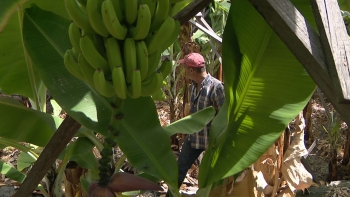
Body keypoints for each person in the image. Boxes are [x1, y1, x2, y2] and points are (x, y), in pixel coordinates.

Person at [166, 53, 225, 196]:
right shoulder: (193, 86)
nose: (184, 71)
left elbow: (224, 116)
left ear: (191, 70)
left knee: (208, 177)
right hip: (194, 139)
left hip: (210, 142)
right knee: (179, 169)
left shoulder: (216, 87)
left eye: (185, 68)